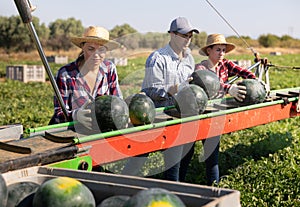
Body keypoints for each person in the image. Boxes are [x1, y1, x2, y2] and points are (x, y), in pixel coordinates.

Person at [122, 17, 199, 181]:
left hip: (177, 116)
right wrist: (175, 89)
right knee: (140, 157)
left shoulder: (189, 59)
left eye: (190, 36)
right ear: (172, 34)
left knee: (181, 156)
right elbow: (151, 90)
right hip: (155, 116)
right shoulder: (158, 58)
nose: (188, 39)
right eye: (184, 35)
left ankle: (177, 189)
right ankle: (120, 184)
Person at [190, 33, 257, 185]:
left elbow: (243, 72)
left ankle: (214, 187)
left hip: (214, 113)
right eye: (218, 50)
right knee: (187, 153)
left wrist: (256, 81)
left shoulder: (225, 65)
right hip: (198, 113)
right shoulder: (201, 68)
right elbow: (211, 84)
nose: (221, 54)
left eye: (223, 50)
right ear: (209, 51)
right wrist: (228, 88)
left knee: (212, 155)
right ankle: (181, 185)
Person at [50, 26, 122, 130]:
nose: (96, 55)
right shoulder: (65, 74)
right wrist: (75, 116)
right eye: (91, 49)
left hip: (100, 130)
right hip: (71, 132)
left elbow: (118, 101)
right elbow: (58, 114)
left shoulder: (109, 69)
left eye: (101, 50)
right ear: (82, 48)